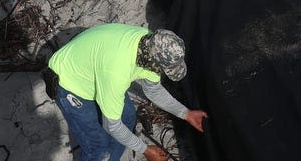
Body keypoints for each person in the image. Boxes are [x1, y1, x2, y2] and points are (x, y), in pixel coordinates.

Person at [47, 24, 208, 161]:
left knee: (128, 117)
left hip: (96, 69)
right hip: (70, 83)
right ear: (151, 61)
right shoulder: (117, 71)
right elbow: (112, 126)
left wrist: (185, 113)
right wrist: (145, 150)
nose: (163, 73)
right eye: (164, 70)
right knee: (98, 146)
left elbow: (153, 90)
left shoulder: (152, 44)